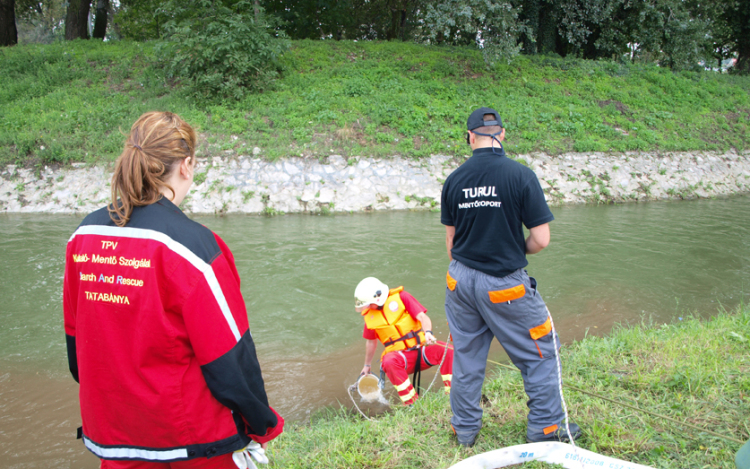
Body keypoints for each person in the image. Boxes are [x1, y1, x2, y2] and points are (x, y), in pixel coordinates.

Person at [63, 111, 283, 469]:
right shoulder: (193, 247)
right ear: (187, 165)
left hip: (117, 439)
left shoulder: (83, 235)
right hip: (192, 442)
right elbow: (229, 358)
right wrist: (262, 421)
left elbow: (77, 348)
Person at [440, 107, 581, 447]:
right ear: (502, 135)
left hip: (459, 281)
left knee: (468, 356)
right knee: (541, 353)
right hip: (503, 284)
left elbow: (451, 244)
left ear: (470, 137)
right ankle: (547, 430)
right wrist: (515, 249)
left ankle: (464, 430)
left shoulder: (454, 179)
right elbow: (541, 239)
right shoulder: (520, 175)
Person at [355, 277, 453, 405]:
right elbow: (371, 343)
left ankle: (453, 394)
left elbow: (423, 317)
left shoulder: (402, 297)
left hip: (421, 348)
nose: (366, 307)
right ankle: (412, 404)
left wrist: (428, 332)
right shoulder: (370, 317)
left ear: (378, 298)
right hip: (401, 358)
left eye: (368, 303)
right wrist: (367, 366)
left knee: (449, 351)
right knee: (388, 361)